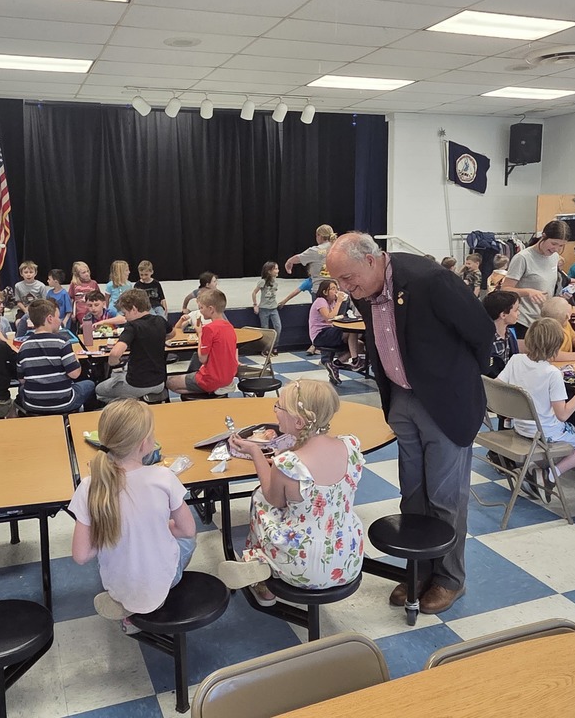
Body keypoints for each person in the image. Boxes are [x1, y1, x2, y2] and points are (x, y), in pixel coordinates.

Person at [326, 232, 493, 614]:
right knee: (412, 494)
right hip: (401, 397)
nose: (345, 289)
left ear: (371, 260)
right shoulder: (363, 289)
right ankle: (419, 570)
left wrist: (458, 379)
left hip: (443, 403)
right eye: (338, 282)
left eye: (348, 278)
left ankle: (451, 579)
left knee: (445, 498)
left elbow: (481, 332)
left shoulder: (429, 280)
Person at [217, 380, 365, 604]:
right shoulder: (350, 445)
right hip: (349, 557)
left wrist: (256, 454)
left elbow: (273, 499)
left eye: (279, 406)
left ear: (298, 421)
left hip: (302, 567)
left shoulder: (289, 464)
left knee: (259, 499)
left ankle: (263, 571)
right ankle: (263, 568)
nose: (275, 411)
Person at [70, 399, 196, 633]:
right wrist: (158, 525)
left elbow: (80, 555)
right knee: (187, 544)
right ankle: (144, 608)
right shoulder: (164, 477)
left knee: (116, 556)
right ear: (144, 444)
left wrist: (115, 532)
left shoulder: (88, 486)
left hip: (117, 585)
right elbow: (187, 531)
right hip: (164, 581)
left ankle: (125, 608)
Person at [497, 318, 575, 496]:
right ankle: (550, 475)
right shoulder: (552, 374)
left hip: (521, 426)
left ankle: (534, 469)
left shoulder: (516, 360)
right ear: (556, 346)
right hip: (546, 432)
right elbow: (563, 415)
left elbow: (498, 387)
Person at [16, 298, 95, 414]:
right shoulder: (61, 342)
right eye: (58, 317)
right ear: (50, 318)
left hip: (32, 404)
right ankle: (85, 420)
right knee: (90, 384)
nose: (60, 320)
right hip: (64, 402)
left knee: (23, 389)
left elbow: (22, 380)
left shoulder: (23, 346)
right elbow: (75, 374)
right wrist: (75, 360)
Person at [95, 290, 173, 404]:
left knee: (99, 391)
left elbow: (115, 353)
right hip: (159, 383)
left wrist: (113, 363)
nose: (124, 317)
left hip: (137, 384)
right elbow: (172, 334)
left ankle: (133, 403)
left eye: (125, 313)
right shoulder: (160, 320)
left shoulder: (132, 326)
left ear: (134, 309)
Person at [502, 220, 569, 338]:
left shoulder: (555, 257)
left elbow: (549, 287)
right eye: (553, 243)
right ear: (543, 236)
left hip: (544, 320)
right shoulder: (523, 258)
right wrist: (528, 292)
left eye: (561, 245)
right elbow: (505, 289)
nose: (556, 249)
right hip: (523, 320)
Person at [167, 288, 237, 397]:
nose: (200, 311)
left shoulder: (208, 329)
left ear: (211, 309)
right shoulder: (230, 326)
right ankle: (213, 389)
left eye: (202, 308)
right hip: (228, 377)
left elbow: (202, 359)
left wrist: (200, 333)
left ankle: (211, 390)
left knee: (170, 382)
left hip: (211, 378)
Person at [307, 280, 362, 384]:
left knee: (359, 345)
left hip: (330, 332)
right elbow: (329, 318)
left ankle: (335, 364)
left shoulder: (332, 302)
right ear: (325, 292)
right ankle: (355, 361)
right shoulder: (320, 301)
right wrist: (339, 301)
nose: (336, 291)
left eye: (337, 288)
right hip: (321, 335)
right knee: (351, 331)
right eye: (332, 289)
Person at [279, 224, 336, 306]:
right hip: (336, 291)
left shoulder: (316, 250)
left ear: (319, 235)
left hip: (320, 291)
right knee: (336, 317)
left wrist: (289, 262)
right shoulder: (338, 248)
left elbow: (299, 258)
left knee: (320, 318)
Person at [483, 290, 520, 378]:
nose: (519, 313)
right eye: (516, 310)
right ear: (503, 315)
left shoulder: (510, 335)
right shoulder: (485, 340)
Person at [252, 260, 281, 354]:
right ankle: (266, 348)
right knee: (265, 329)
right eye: (275, 269)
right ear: (269, 271)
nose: (278, 270)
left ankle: (274, 346)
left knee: (278, 327)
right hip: (264, 309)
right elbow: (254, 293)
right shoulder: (262, 282)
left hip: (273, 309)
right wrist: (255, 305)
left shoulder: (275, 282)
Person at [69, 261, 100, 331]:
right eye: (83, 272)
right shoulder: (74, 284)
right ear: (77, 274)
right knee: (86, 327)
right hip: (81, 312)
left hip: (93, 311)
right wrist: (71, 313)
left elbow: (99, 298)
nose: (87, 274)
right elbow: (71, 299)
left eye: (87, 271)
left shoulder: (94, 283)